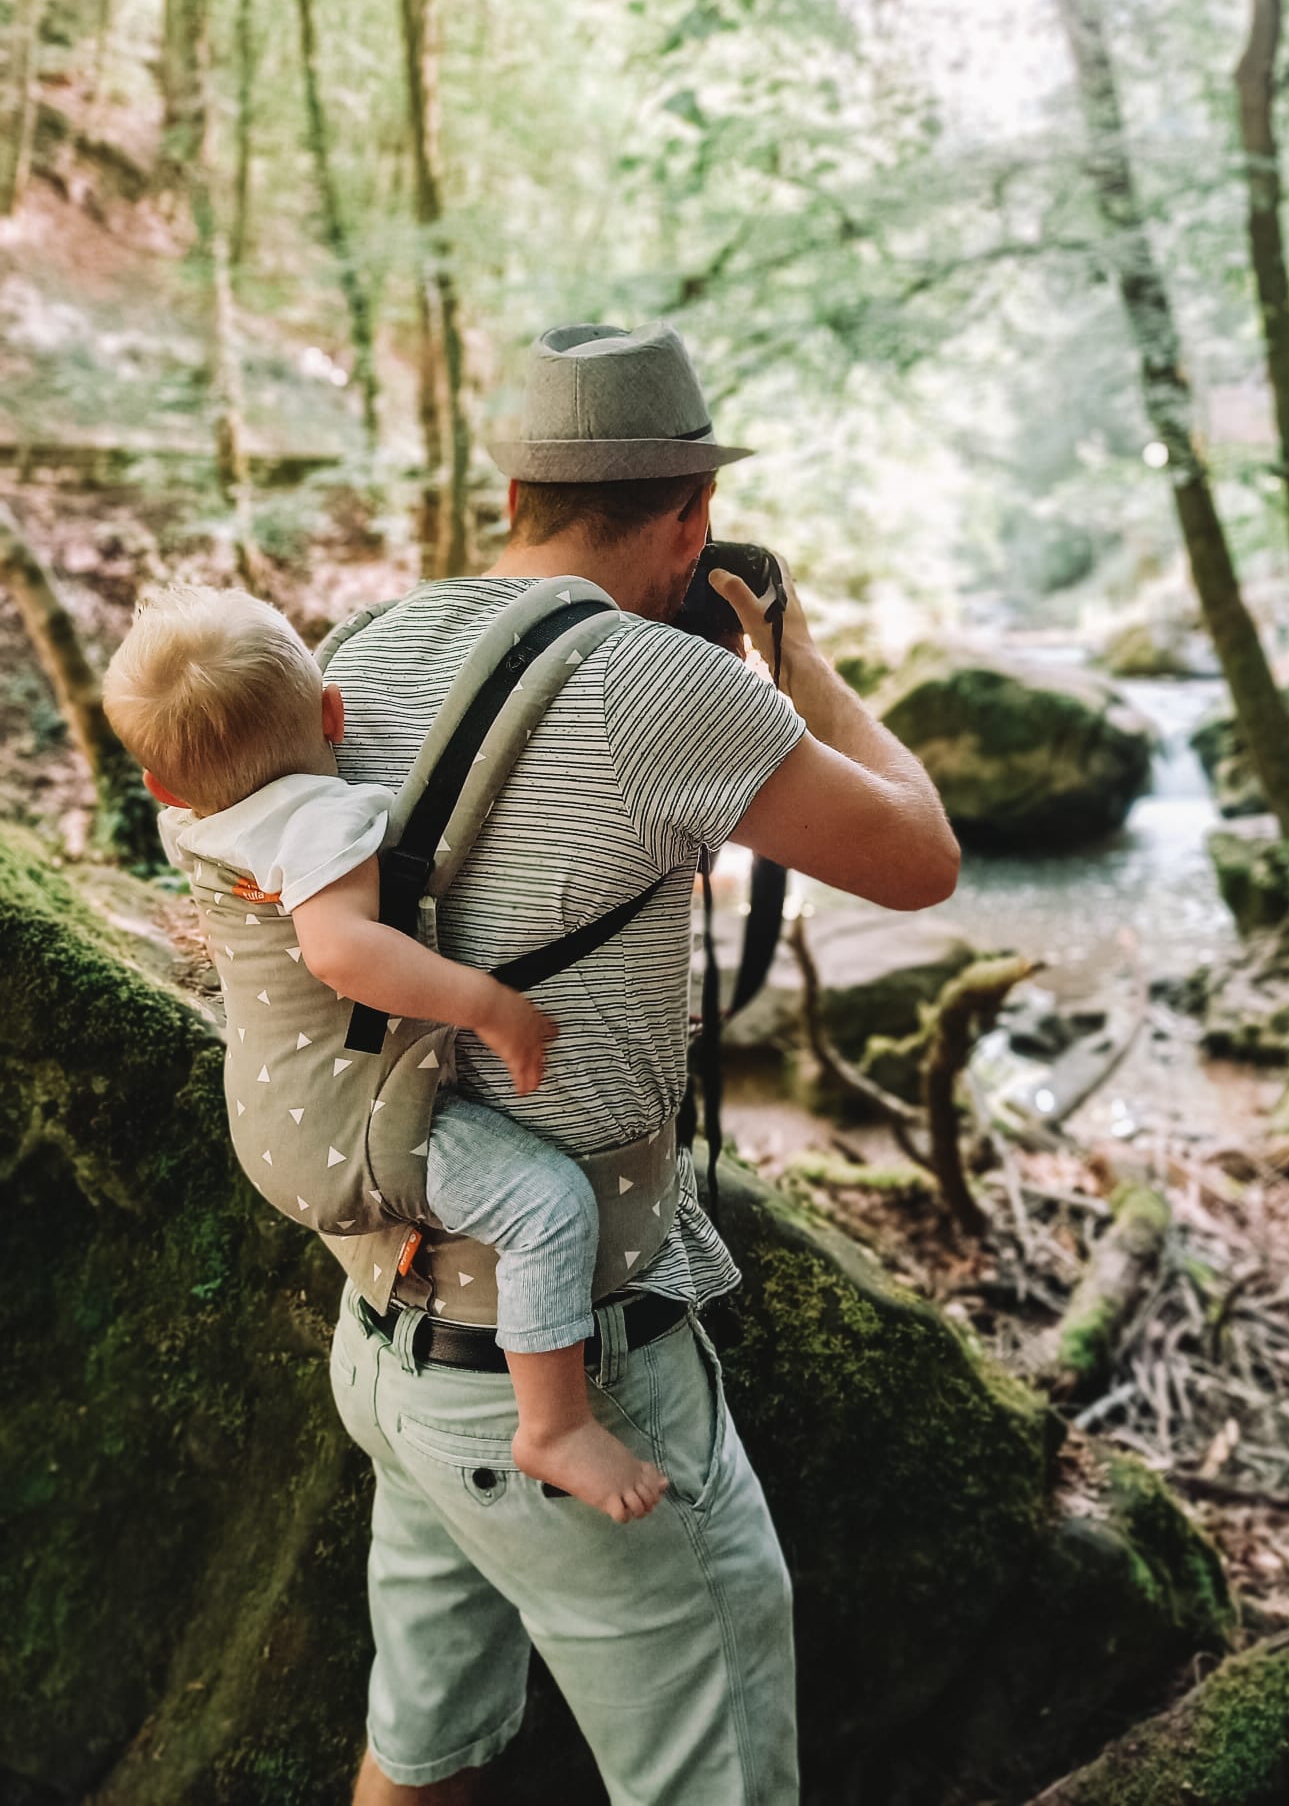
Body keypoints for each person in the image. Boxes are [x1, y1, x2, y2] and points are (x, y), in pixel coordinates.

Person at [323, 320, 961, 1806]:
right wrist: (793, 650)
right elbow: (920, 857)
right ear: (688, 523)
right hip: (571, 1380)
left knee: (425, 1743)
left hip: (392, 1333)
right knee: (712, 1772)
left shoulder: (359, 644)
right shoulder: (670, 690)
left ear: (511, 502)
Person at [101, 584, 670, 1523]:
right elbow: (339, 951)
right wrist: (487, 1004)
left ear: (162, 785)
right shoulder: (319, 823)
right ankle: (554, 1426)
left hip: (276, 1121)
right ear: (335, 712)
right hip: (360, 1128)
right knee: (547, 1205)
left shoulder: (195, 823)